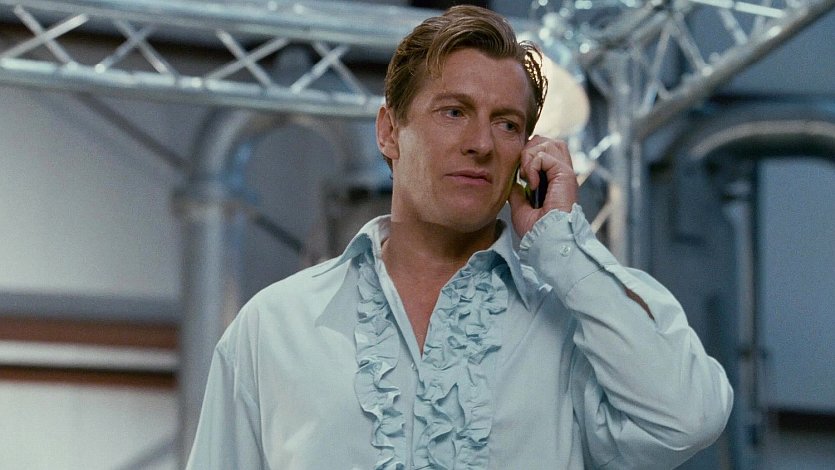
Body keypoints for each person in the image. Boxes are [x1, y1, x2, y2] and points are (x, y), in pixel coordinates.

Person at [186, 5, 733, 469]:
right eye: (454, 111)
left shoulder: (571, 327)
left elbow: (688, 418)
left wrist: (563, 248)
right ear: (389, 132)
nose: (482, 143)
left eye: (507, 124)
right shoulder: (274, 326)